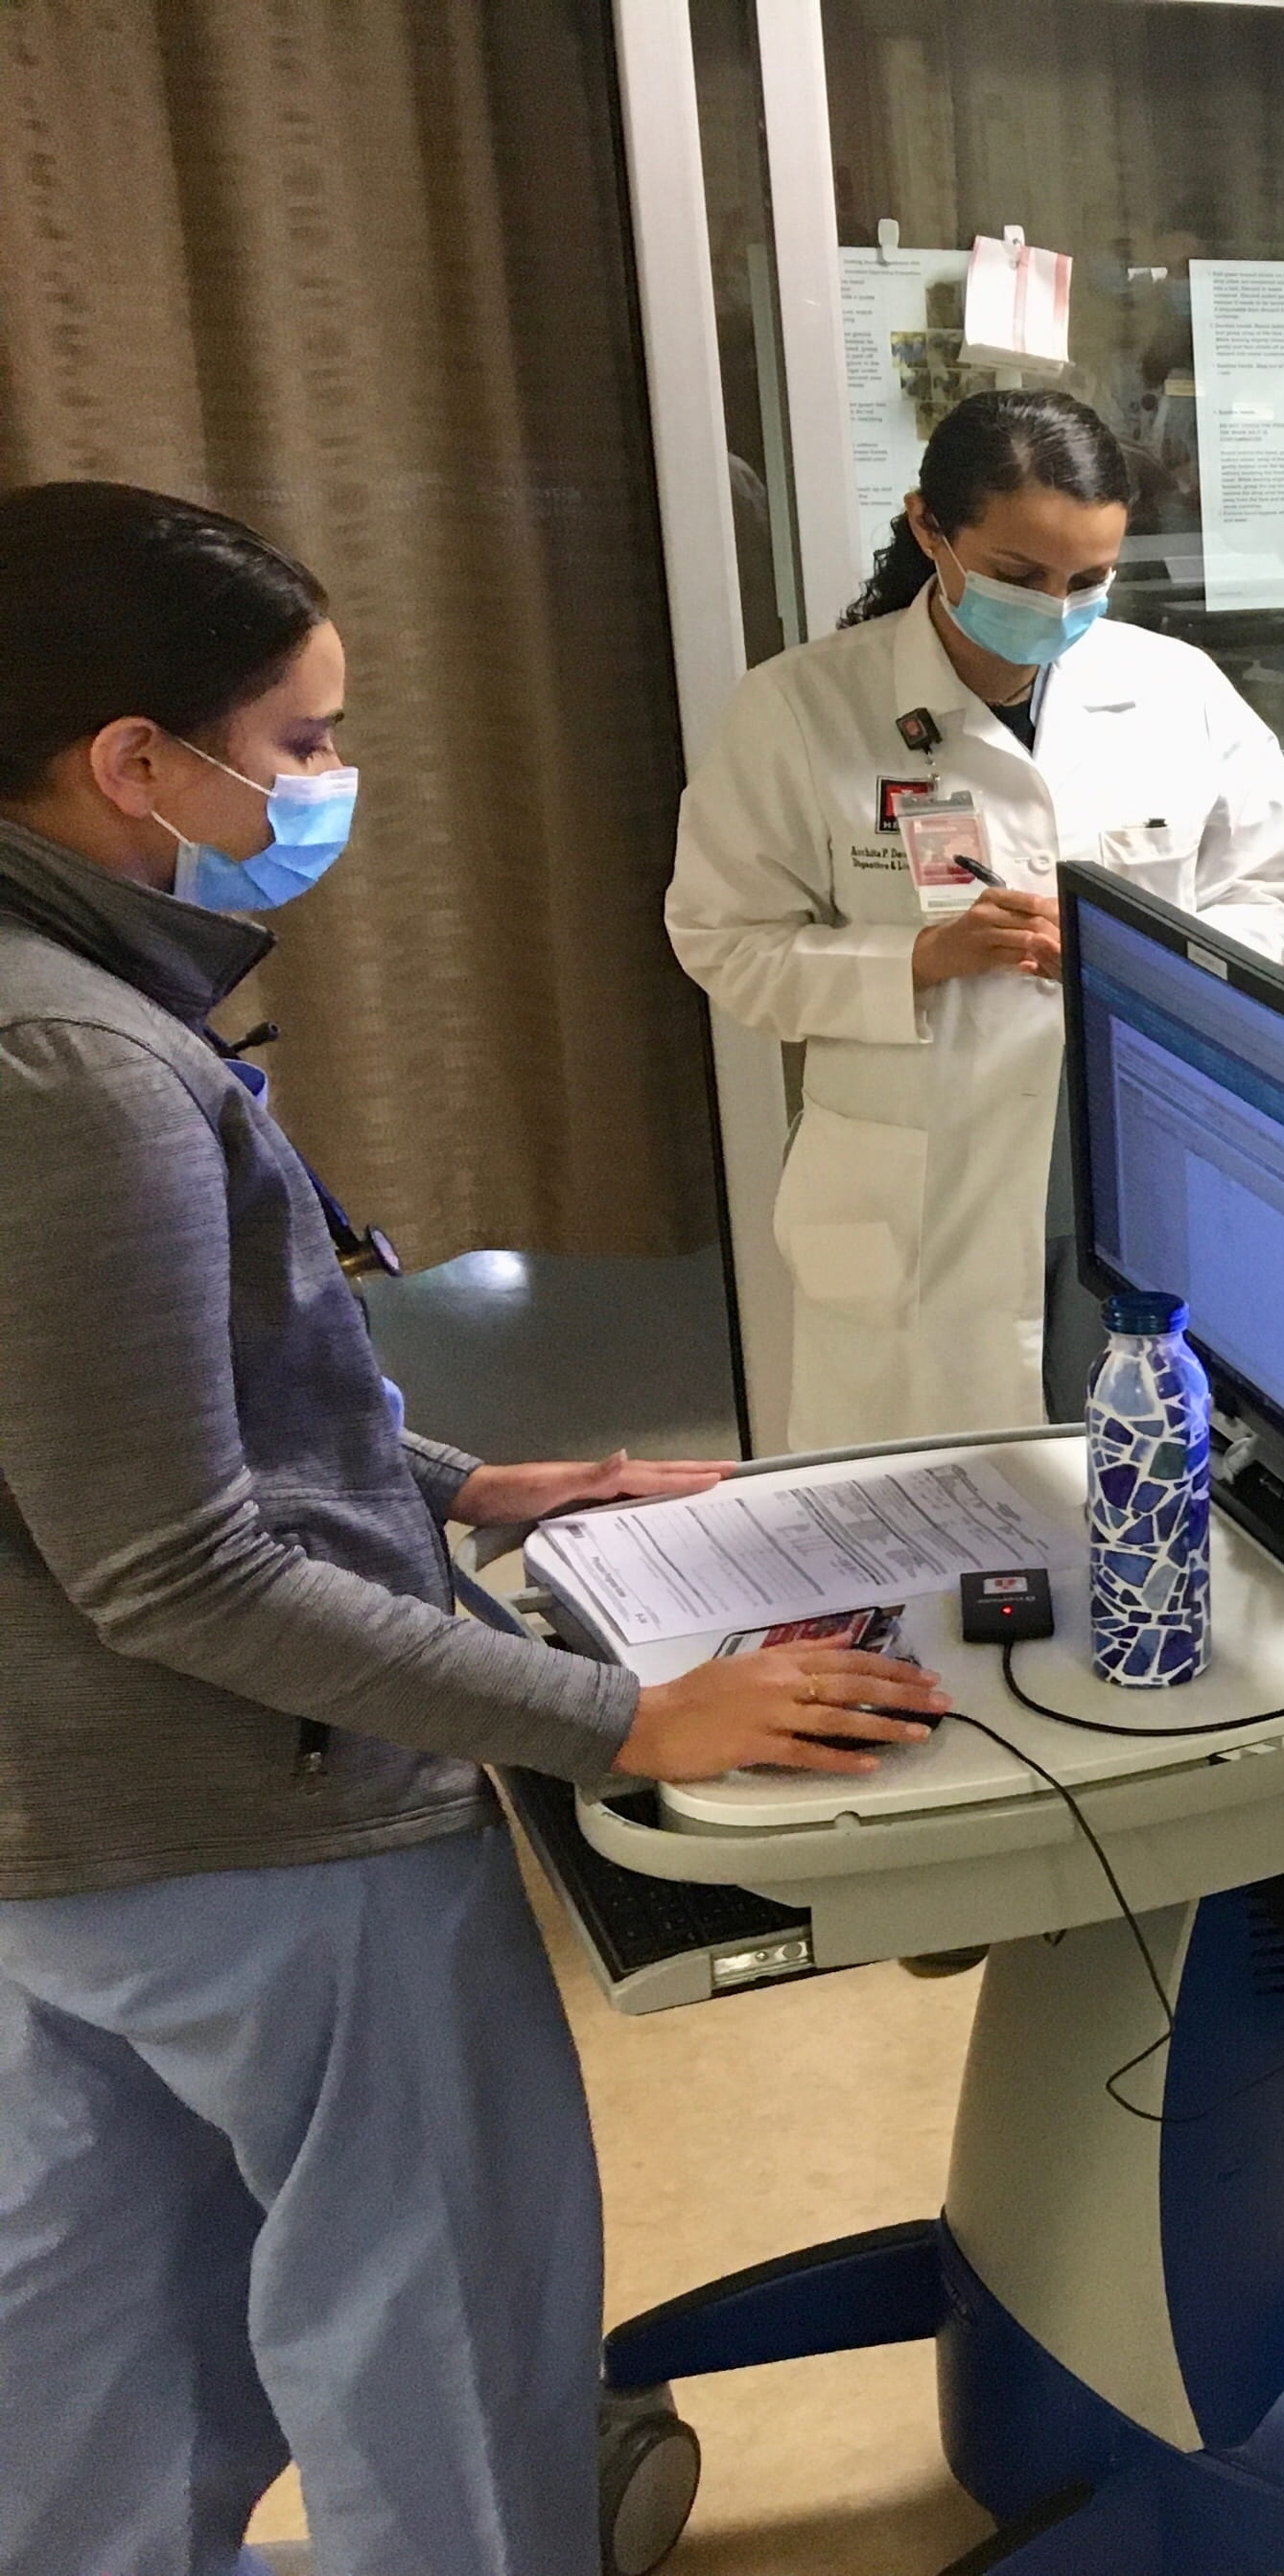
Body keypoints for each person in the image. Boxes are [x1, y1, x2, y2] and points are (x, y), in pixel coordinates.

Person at [0, 481, 948, 2575]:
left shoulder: (56, 991)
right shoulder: (71, 1063)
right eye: (306, 741)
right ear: (134, 763)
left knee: (101, 2309)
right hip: (256, 1824)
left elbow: (142, 1420)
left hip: (72, 1832)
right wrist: (623, 1722)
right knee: (427, 2321)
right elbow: (174, 1559)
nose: (335, 782)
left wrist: (475, 1488)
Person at [670, 390, 1284, 1450]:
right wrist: (917, 958)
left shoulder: (1178, 692)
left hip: (1136, 1141)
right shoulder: (802, 707)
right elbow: (723, 938)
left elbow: (1272, 892)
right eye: (1023, 576)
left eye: (1090, 580)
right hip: (925, 1176)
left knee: (1142, 1467)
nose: (1058, 605)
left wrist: (1134, 961)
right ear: (931, 527)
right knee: (919, 1509)